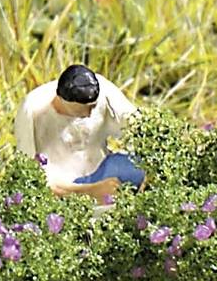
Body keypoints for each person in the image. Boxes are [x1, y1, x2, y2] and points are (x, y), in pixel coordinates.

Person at [15, 62, 143, 194]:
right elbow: (28, 174)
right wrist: (92, 192)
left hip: (102, 168)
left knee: (139, 168)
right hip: (64, 186)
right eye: (83, 109)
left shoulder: (103, 88)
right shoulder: (32, 109)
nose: (89, 114)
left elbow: (137, 123)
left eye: (93, 107)